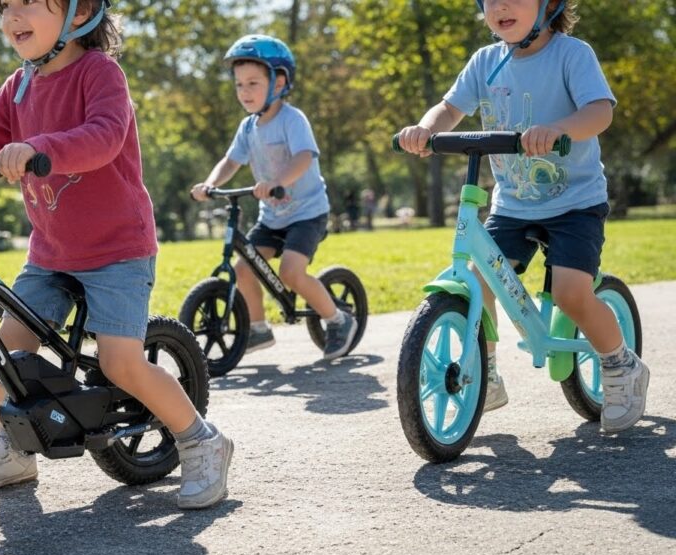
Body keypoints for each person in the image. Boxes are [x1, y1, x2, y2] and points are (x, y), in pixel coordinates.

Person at [0, 0, 233, 509]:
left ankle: (202, 440)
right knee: (6, 352)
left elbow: (105, 137)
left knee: (120, 364)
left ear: (79, 11)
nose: (12, 17)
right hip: (52, 250)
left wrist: (40, 147)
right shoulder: (19, 85)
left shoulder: (99, 73)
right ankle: (15, 450)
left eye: (27, 4)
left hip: (116, 247)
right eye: (5, 8)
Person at [396, 0, 649, 433]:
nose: (501, 6)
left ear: (548, 4)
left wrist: (560, 129)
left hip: (575, 203)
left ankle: (622, 365)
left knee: (571, 294)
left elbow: (599, 111)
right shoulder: (485, 61)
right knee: (480, 278)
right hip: (512, 205)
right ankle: (485, 369)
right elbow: (450, 108)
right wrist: (426, 128)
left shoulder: (571, 54)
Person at [190, 34, 357, 360]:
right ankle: (259, 329)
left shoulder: (292, 119)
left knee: (291, 273)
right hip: (272, 216)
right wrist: (209, 184)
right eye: (239, 85)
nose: (244, 92)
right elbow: (231, 161)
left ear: (279, 81)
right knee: (243, 268)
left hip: (307, 212)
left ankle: (338, 320)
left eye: (253, 83)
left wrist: (276, 181)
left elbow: (304, 157)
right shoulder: (248, 127)